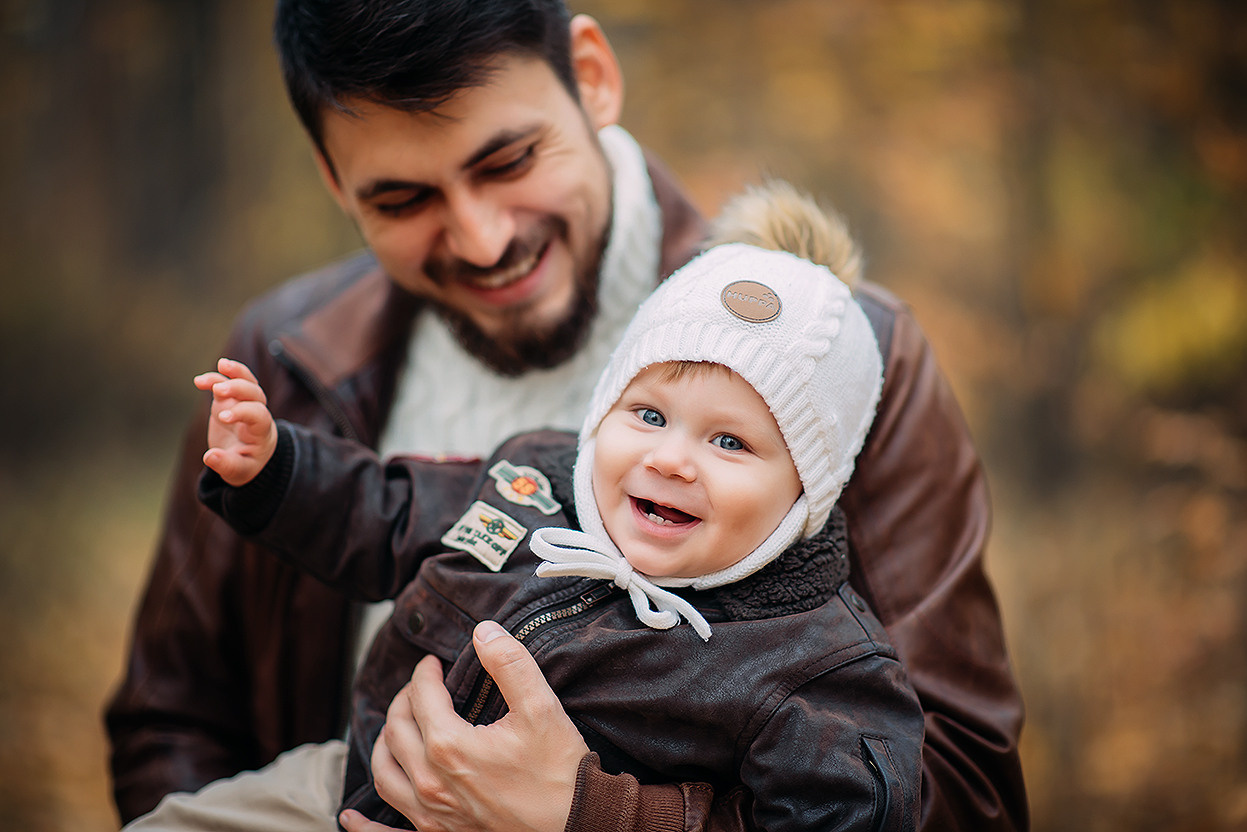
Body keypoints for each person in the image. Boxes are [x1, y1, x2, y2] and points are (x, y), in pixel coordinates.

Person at [106, 1, 1028, 830]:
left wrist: (598, 817)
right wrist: (274, 474)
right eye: (402, 198)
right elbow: (177, 720)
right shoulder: (288, 358)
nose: (483, 239)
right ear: (331, 177)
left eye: (507, 160)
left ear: (590, 75)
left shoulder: (842, 364)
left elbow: (953, 794)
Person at [130, 190, 925, 832]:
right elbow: (384, 513)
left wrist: (602, 814)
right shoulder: (532, 482)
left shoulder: (816, 663)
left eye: (730, 441)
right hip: (344, 783)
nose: (671, 458)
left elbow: (836, 816)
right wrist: (276, 468)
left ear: (806, 491)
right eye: (646, 415)